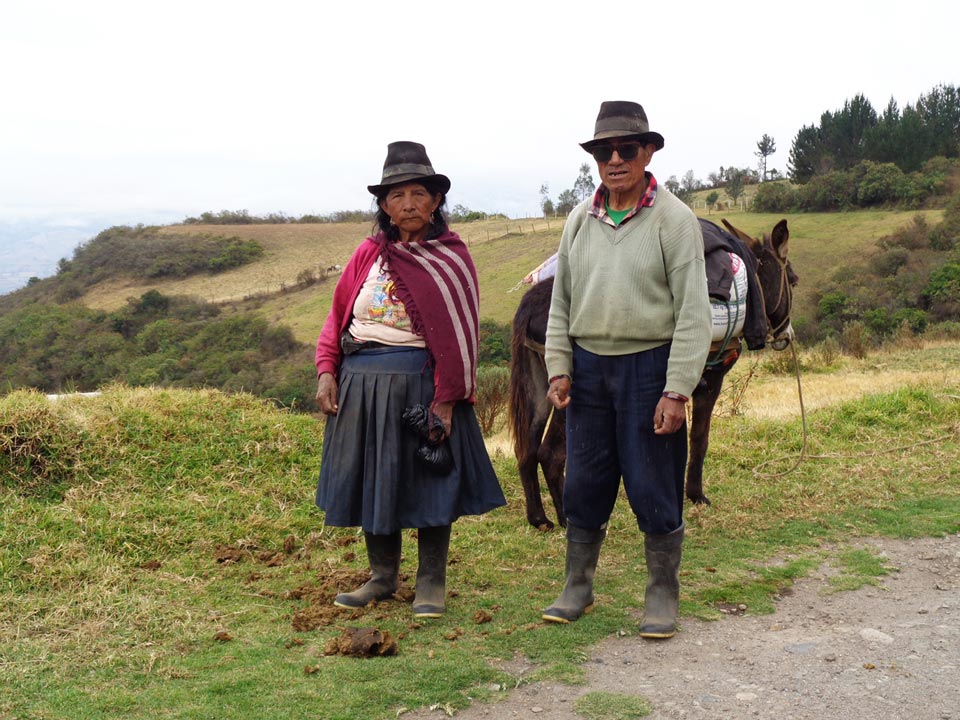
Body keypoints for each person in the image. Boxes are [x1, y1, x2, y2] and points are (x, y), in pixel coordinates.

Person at [314, 141, 505, 618]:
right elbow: (338, 315)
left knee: (429, 480)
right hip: (361, 380)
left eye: (419, 193)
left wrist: (446, 398)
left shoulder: (451, 257)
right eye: (397, 196)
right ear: (384, 206)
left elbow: (463, 332)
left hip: (422, 383)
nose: (409, 204)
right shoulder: (367, 255)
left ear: (436, 201)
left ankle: (431, 584)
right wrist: (326, 370)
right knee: (374, 480)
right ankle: (381, 578)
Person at [542, 101, 712, 638]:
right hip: (588, 371)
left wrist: (678, 389)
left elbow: (693, 313)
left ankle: (662, 593)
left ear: (649, 151)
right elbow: (561, 302)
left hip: (650, 369)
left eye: (627, 149)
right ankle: (579, 585)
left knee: (652, 482)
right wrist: (558, 368)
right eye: (603, 151)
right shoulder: (578, 219)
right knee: (585, 482)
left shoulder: (675, 220)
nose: (614, 159)